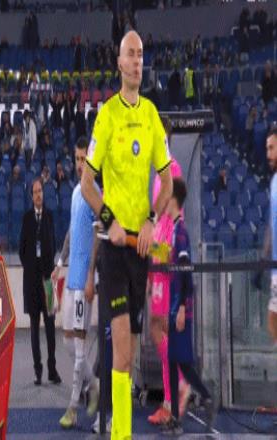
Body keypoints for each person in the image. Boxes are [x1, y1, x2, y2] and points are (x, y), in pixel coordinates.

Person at [81, 31, 173, 440]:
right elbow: (87, 183)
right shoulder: (107, 115)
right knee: (120, 347)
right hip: (115, 250)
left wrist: (152, 219)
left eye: (141, 54)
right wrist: (111, 220)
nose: (137, 61)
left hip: (141, 249)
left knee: (130, 353)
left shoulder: (151, 114)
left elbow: (167, 181)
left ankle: (120, 428)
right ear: (118, 63)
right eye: (130, 55)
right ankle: (121, 435)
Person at [51, 137, 100, 430]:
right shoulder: (74, 192)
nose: (81, 164)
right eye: (78, 159)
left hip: (84, 281)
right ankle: (94, 385)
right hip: (71, 278)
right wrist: (60, 262)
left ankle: (72, 407)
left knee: (80, 348)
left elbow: (98, 236)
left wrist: (92, 274)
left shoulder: (95, 193)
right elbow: (72, 231)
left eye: (85, 159)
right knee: (67, 342)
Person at [161, 178, 215, 435]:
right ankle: (176, 416)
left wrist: (182, 306)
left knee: (181, 362)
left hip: (180, 308)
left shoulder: (180, 232)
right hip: (175, 307)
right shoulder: (175, 230)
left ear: (173, 198)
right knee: (174, 361)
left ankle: (206, 397)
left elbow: (185, 272)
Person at [147, 116, 190, 426]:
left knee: (158, 326)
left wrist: (165, 256)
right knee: (159, 325)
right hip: (158, 256)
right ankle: (169, 399)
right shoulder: (159, 174)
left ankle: (179, 386)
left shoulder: (172, 169)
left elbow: (175, 218)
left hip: (166, 255)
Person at [19, 178, 61, 385]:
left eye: (40, 191)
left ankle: (52, 369)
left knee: (51, 327)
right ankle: (38, 371)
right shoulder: (27, 219)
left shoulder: (50, 216)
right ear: (31, 196)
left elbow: (53, 245)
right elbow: (21, 250)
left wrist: (48, 271)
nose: (38, 195)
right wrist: (31, 268)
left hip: (48, 282)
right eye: (35, 192)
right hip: (32, 283)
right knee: (34, 328)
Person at [266, 126, 277, 345]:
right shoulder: (274, 180)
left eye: (272, 148)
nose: (268, 153)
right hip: (275, 267)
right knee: (273, 320)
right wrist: (264, 253)